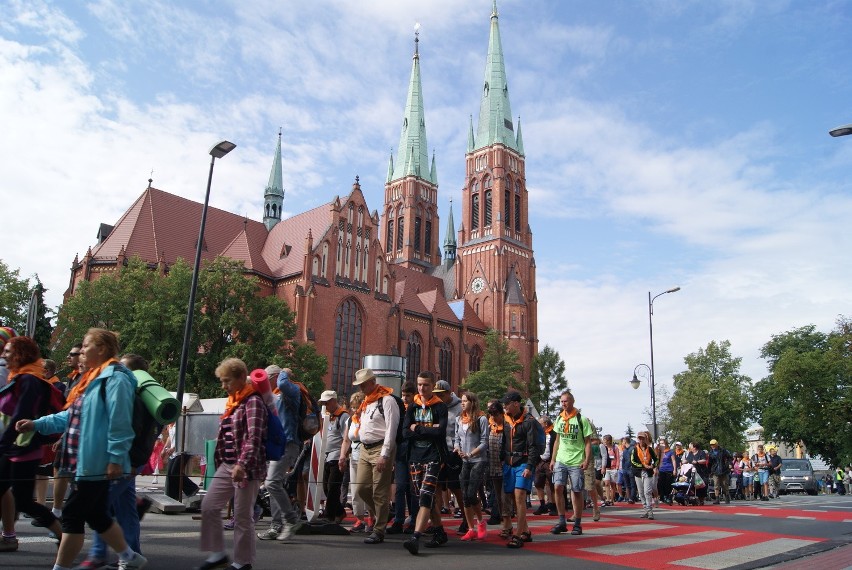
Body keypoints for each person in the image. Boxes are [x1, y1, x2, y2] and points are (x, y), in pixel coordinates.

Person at [16, 328, 147, 570]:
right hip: (83, 461)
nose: (82, 351)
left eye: (87, 346)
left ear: (103, 349)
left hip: (96, 463)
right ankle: (131, 557)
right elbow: (71, 416)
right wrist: (36, 424)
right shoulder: (92, 379)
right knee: (97, 515)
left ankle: (61, 567)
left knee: (72, 515)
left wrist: (116, 459)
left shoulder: (115, 379)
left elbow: (120, 423)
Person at [76, 354, 151, 570]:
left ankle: (100, 554)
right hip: (129, 463)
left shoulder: (130, 395)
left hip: (125, 463)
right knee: (125, 509)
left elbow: (132, 433)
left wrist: (126, 462)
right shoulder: (138, 395)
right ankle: (132, 554)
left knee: (99, 506)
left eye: (121, 367)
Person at [196, 358, 267, 570]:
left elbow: (255, 437)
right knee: (208, 506)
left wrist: (242, 464)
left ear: (239, 378)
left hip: (246, 469)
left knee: (242, 517)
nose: (223, 385)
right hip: (227, 465)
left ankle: (243, 562)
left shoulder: (253, 401)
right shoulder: (234, 401)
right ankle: (217, 554)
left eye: (226, 381)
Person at [0, 336, 64, 553]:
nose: (4, 355)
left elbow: (21, 415)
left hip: (24, 448)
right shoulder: (19, 378)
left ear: (20, 354)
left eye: (8, 351)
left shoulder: (29, 380)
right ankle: (8, 536)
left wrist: (2, 443)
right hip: (12, 448)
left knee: (25, 502)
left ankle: (62, 535)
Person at [400, 371, 448, 555]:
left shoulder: (439, 407)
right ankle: (439, 531)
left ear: (432, 385)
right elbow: (405, 432)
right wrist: (428, 428)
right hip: (415, 456)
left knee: (426, 495)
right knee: (424, 497)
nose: (422, 388)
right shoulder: (412, 406)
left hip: (433, 456)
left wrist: (417, 428)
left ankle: (416, 536)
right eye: (419, 385)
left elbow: (440, 432)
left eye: (426, 385)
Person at [352, 368, 400, 545]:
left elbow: (391, 430)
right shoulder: (367, 401)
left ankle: (379, 530)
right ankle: (384, 514)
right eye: (359, 385)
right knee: (362, 489)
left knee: (379, 491)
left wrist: (385, 454)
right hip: (365, 448)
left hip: (380, 448)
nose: (361, 388)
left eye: (363, 384)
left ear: (372, 382)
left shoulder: (387, 401)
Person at [257, 366, 301, 542]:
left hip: (288, 444)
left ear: (275, 377)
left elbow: (283, 384)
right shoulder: (274, 397)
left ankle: (291, 520)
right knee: (273, 486)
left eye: (268, 378)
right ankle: (276, 526)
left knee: (272, 483)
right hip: (276, 445)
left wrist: (285, 371)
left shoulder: (291, 391)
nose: (265, 382)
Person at [550, 390, 593, 536]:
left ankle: (577, 523)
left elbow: (588, 442)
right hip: (561, 459)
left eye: (566, 401)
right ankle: (561, 521)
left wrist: (586, 460)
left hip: (576, 460)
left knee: (576, 490)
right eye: (561, 401)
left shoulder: (581, 419)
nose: (563, 404)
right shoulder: (559, 419)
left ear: (572, 402)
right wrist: (553, 459)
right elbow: (557, 440)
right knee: (557, 487)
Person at [501, 390, 540, 549]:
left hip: (523, 462)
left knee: (519, 495)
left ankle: (517, 535)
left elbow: (533, 446)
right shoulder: (506, 421)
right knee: (512, 497)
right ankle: (526, 531)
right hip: (509, 463)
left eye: (507, 403)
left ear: (516, 403)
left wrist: (530, 466)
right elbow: (504, 442)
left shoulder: (529, 421)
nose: (504, 406)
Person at [453, 390, 488, 542]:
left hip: (478, 460)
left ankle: (480, 522)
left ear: (472, 403)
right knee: (464, 496)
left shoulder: (481, 418)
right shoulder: (459, 419)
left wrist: (471, 454)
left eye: (465, 401)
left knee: (470, 493)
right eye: (461, 401)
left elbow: (484, 441)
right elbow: (456, 438)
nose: (462, 403)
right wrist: (458, 449)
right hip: (465, 460)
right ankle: (470, 528)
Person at [433, 380, 466, 532]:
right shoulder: (437, 406)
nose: (438, 397)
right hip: (439, 451)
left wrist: (457, 448)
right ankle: (436, 524)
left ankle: (466, 518)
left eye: (441, 395)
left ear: (448, 393)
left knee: (455, 486)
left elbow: (462, 430)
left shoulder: (460, 407)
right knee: (437, 486)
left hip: (453, 452)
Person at [338, 391, 371, 532]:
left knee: (367, 489)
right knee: (356, 489)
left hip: (367, 457)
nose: (354, 410)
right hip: (354, 458)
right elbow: (346, 440)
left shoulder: (368, 419)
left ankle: (372, 517)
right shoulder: (350, 420)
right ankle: (360, 518)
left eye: (357, 407)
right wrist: (342, 456)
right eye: (352, 407)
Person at [387, 381, 417, 534]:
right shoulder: (399, 409)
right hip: (400, 452)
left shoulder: (417, 409)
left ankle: (413, 520)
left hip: (414, 452)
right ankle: (398, 520)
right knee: (400, 487)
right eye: (403, 395)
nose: (405, 398)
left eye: (408, 396)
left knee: (413, 488)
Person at [318, 390, 348, 523]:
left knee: (333, 487)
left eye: (326, 402)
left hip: (337, 456)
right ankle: (340, 512)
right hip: (326, 455)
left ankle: (329, 516)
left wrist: (343, 456)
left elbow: (346, 438)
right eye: (323, 402)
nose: (324, 405)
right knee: (326, 487)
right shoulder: (326, 416)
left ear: (334, 401)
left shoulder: (343, 416)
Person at [485, 400, 508, 527]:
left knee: (504, 493)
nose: (493, 417)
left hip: (505, 464)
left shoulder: (507, 426)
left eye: (496, 414)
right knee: (497, 492)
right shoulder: (490, 426)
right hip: (493, 463)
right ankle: (499, 513)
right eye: (491, 414)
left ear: (501, 413)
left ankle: (502, 516)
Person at [631, 431, 659, 520]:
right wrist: (643, 466)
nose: (641, 440)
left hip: (648, 473)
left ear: (646, 439)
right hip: (638, 472)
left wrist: (653, 466)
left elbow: (656, 460)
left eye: (643, 438)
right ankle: (645, 510)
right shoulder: (635, 449)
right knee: (641, 492)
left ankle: (650, 511)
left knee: (647, 491)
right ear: (638, 439)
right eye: (640, 438)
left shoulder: (650, 449)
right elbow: (633, 462)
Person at [533, 416, 556, 515]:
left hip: (550, 461)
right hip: (540, 461)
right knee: (538, 483)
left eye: (540, 423)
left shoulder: (554, 434)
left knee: (552, 485)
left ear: (545, 424)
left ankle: (553, 505)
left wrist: (554, 460)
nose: (538, 425)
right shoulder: (538, 434)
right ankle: (542, 505)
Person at [708, 439, 733, 504]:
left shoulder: (723, 451)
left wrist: (730, 464)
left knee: (725, 485)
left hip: (724, 470)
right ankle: (717, 499)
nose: (712, 446)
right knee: (716, 485)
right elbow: (709, 463)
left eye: (713, 444)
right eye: (711, 445)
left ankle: (727, 497)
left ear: (717, 444)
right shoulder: (710, 453)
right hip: (715, 471)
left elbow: (730, 458)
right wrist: (709, 471)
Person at [601, 434, 620, 505]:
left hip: (613, 468)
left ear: (609, 441)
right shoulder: (604, 448)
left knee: (613, 484)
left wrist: (617, 467)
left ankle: (612, 499)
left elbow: (617, 458)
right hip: (606, 468)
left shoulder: (615, 448)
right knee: (606, 483)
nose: (604, 441)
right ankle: (608, 499)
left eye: (605, 440)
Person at [658, 439, 676, 505]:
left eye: (663, 443)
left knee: (668, 484)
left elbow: (673, 461)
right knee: (661, 484)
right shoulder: (659, 452)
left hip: (669, 469)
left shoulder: (670, 451)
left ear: (666, 444)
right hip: (661, 469)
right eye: (660, 443)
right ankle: (662, 497)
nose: (662, 445)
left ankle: (668, 497)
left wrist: (674, 469)